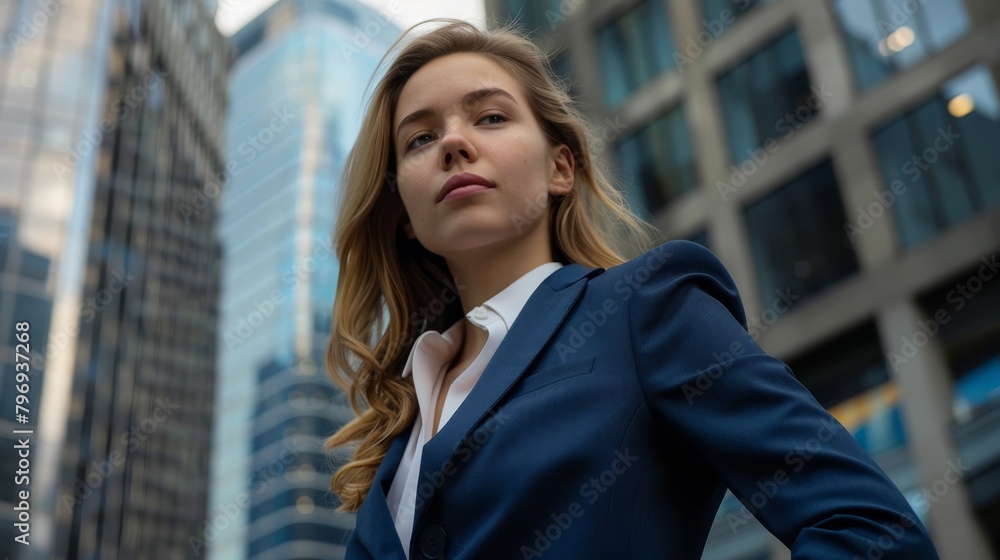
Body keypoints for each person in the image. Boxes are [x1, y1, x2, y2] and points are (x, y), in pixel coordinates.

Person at [323, 19, 940, 560]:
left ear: (560, 168)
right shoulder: (396, 427)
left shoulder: (646, 309)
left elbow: (868, 527)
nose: (453, 143)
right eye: (420, 139)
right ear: (404, 209)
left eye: (490, 117)